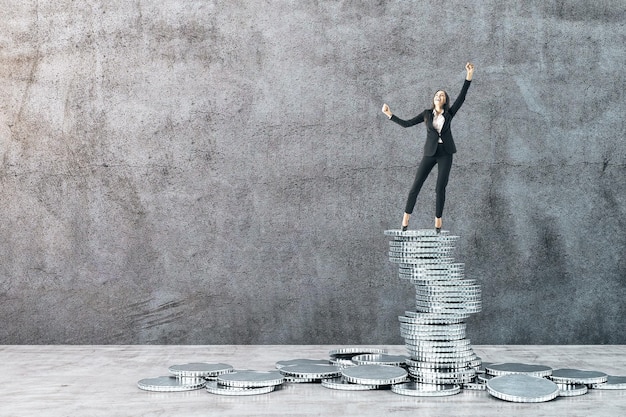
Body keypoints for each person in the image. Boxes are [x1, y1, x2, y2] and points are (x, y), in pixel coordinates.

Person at [382, 62, 474, 232]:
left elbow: (462, 96)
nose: (439, 96)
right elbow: (407, 124)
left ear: (445, 100)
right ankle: (405, 220)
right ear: (433, 99)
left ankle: (438, 220)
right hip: (430, 153)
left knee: (440, 187)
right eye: (437, 94)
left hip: (445, 153)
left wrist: (469, 76)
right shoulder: (426, 114)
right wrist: (390, 115)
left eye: (442, 95)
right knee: (415, 186)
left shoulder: (449, 114)